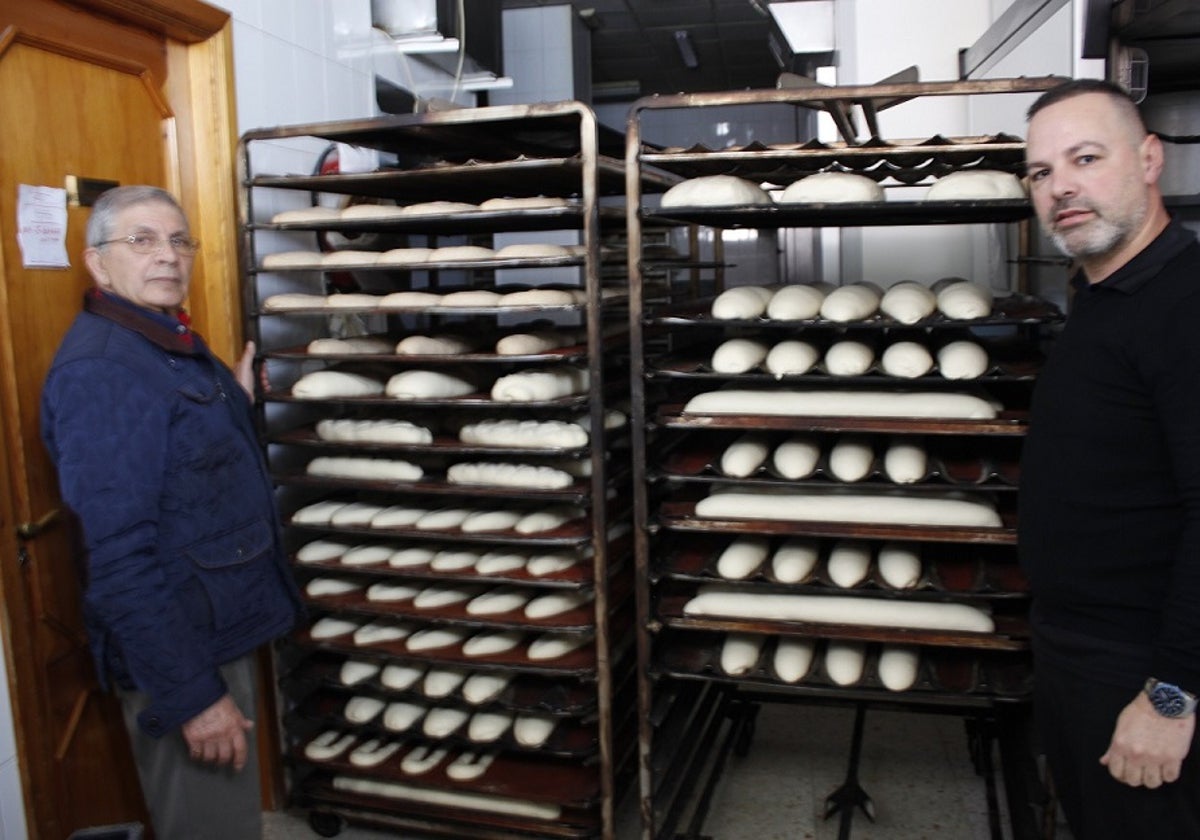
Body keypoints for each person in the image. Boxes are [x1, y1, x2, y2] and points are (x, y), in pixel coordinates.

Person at [40, 185, 303, 839]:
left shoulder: (162, 341)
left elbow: (177, 461)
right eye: (142, 240)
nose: (167, 256)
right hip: (182, 654)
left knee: (230, 823)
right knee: (209, 828)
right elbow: (118, 556)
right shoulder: (104, 372)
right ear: (98, 262)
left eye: (178, 240)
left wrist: (232, 405)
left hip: (213, 629)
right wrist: (194, 695)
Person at [1018, 78, 1200, 837]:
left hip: (1139, 664)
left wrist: (1171, 697)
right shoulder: (1105, 293)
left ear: (1150, 159)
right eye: (1040, 172)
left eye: (1086, 158)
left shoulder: (1185, 305)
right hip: (1079, 649)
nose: (1062, 186)